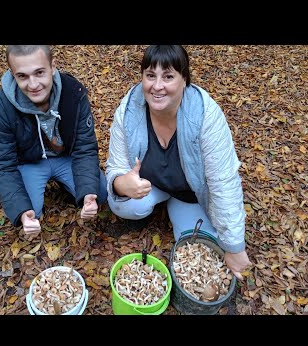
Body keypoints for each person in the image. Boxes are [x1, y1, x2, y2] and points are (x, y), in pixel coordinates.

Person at [106, 45, 251, 280]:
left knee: (197, 249)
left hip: (189, 193)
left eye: (169, 76)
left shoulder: (205, 115)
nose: (157, 86)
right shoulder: (129, 109)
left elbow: (223, 181)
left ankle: (178, 207)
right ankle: (159, 201)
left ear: (185, 79)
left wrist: (234, 246)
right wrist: (122, 184)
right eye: (150, 75)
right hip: (150, 185)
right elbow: (115, 166)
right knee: (126, 205)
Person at [0, 45, 107, 237]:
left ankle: (71, 188)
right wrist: (21, 211)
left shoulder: (74, 93)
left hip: (65, 157)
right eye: (22, 76)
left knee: (98, 191)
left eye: (39, 72)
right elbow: (2, 165)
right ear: (12, 74)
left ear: (53, 66)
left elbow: (84, 147)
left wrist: (88, 192)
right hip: (29, 161)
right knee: (29, 212)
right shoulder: (1, 108)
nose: (33, 85)